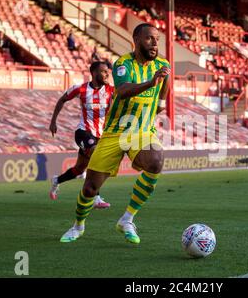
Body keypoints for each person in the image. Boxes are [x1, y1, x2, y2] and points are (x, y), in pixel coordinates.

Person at [59, 23, 171, 244]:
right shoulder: (123, 64)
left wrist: (161, 103)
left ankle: (127, 219)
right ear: (136, 40)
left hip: (142, 131)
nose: (155, 43)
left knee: (156, 161)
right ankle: (78, 226)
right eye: (149, 38)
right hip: (115, 133)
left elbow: (165, 82)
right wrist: (151, 82)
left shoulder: (162, 65)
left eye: (157, 39)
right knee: (90, 188)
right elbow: (123, 90)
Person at [49, 61, 113, 210]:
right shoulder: (81, 89)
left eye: (108, 72)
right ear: (94, 73)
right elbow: (62, 99)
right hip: (83, 132)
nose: (107, 74)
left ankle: (56, 180)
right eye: (103, 71)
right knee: (96, 155)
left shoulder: (111, 90)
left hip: (100, 136)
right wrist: (53, 121)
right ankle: (95, 196)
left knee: (79, 169)